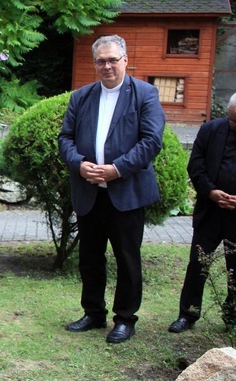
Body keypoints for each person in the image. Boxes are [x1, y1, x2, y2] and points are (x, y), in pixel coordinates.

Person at [58, 34, 165, 344]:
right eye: (101, 61)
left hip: (126, 192)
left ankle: (125, 318)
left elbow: (151, 141)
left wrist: (117, 169)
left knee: (127, 258)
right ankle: (93, 313)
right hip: (90, 191)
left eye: (112, 60)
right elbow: (65, 138)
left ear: (125, 61)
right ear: (95, 64)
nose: (106, 66)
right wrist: (79, 164)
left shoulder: (145, 94)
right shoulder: (81, 97)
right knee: (90, 257)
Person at [168, 93, 236, 334]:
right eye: (232, 121)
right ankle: (188, 313)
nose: (234, 126)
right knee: (197, 264)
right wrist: (211, 192)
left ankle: (233, 316)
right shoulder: (211, 130)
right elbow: (195, 164)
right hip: (210, 210)